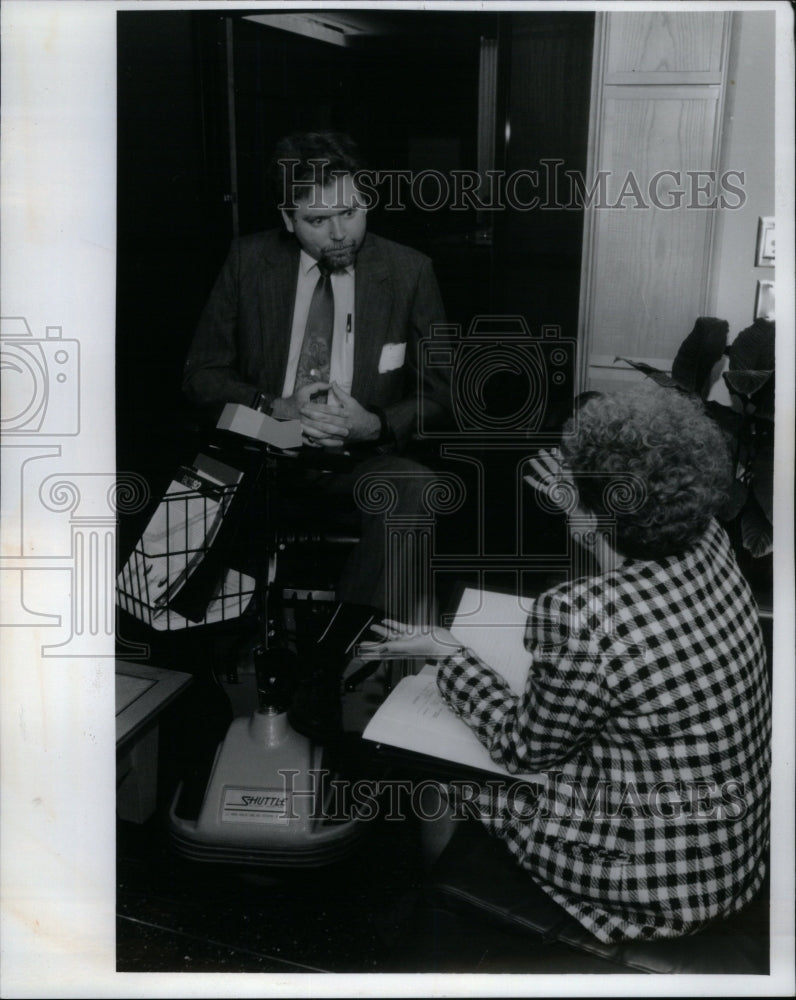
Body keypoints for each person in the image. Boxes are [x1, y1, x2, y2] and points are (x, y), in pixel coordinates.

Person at [362, 384, 771, 943]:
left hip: (652, 881)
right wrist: (585, 515)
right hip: (728, 855)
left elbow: (522, 747)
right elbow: (637, 591)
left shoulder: (580, 615)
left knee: (445, 774)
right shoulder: (711, 543)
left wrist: (449, 654)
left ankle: (440, 925)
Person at [183, 131, 450, 614]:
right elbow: (201, 376)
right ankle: (195, 658)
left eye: (350, 212)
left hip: (358, 461)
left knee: (415, 485)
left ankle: (338, 654)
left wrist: (378, 423)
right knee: (184, 510)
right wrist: (275, 408)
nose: (340, 232)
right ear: (288, 219)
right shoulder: (248, 262)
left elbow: (440, 392)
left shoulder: (410, 272)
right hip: (260, 451)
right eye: (318, 220)